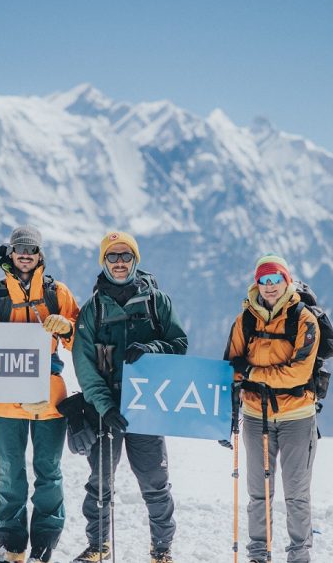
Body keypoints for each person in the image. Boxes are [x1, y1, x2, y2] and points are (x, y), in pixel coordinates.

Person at [70, 231, 188, 563]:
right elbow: (85, 364)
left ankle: (162, 548)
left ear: (135, 259)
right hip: (105, 407)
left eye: (125, 256)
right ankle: (97, 546)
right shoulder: (92, 309)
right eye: (112, 256)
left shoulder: (157, 301)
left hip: (147, 405)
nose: (119, 263)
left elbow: (179, 345)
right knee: (100, 481)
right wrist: (105, 407)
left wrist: (151, 348)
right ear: (103, 261)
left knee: (154, 480)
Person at [0, 226, 81, 563]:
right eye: (19, 248)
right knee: (11, 471)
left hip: (49, 397)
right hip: (5, 402)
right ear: (10, 253)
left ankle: (44, 545)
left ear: (40, 255)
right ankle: (12, 545)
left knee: (48, 470)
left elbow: (83, 339)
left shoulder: (58, 294)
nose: (25, 254)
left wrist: (68, 328)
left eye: (32, 249)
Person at [224, 254, 321, 563]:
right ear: (257, 284)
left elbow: (299, 373)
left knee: (296, 493)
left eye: (275, 279)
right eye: (263, 280)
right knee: (258, 492)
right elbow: (231, 367)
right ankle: (258, 554)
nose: (269, 286)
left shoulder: (304, 319)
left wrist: (253, 375)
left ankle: (299, 555)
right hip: (255, 416)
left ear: (286, 281)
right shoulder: (246, 320)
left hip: (297, 417)